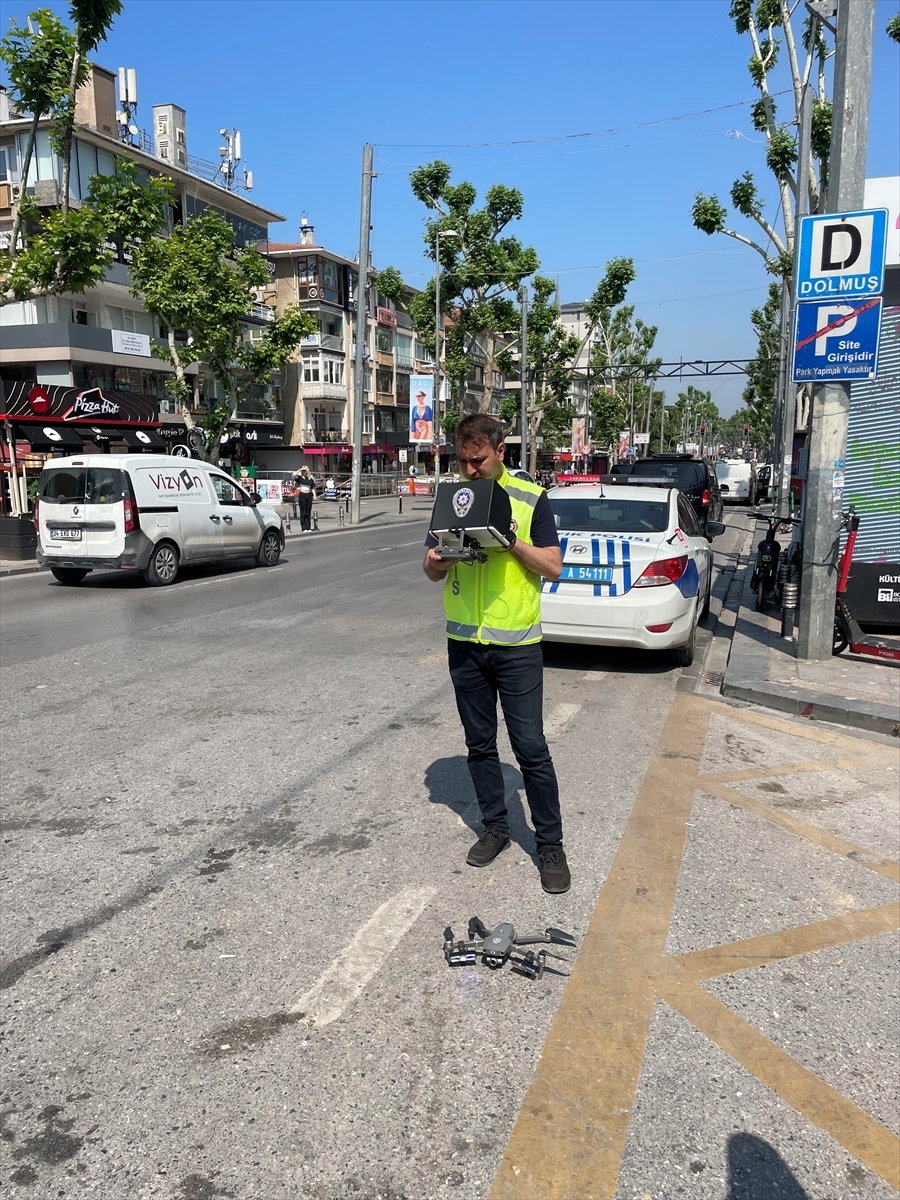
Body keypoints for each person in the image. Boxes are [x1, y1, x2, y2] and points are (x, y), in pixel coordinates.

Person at [422, 413, 570, 894]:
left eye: (478, 461)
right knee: (479, 744)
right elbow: (429, 571)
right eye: (462, 461)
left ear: (500, 452)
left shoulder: (530, 498)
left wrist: (511, 541)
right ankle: (497, 827)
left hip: (517, 647)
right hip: (465, 644)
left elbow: (553, 567)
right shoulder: (454, 498)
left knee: (530, 749)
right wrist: (442, 557)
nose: (469, 470)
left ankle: (550, 845)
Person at [292, 466, 316, 532]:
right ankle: (304, 528)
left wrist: (314, 495)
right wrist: (300, 469)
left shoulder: (310, 479)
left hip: (309, 495)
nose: (304, 472)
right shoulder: (300, 478)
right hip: (302, 494)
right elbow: (294, 474)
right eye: (303, 471)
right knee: (303, 512)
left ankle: (308, 527)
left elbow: (313, 487)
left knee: (308, 512)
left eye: (305, 471)